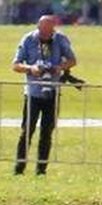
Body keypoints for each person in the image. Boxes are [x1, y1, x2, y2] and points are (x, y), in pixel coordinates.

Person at [11, 14, 77, 175]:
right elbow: (15, 65)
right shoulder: (28, 40)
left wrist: (59, 67)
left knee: (47, 132)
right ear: (38, 27)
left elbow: (72, 60)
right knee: (27, 131)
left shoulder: (60, 39)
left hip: (52, 91)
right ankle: (19, 168)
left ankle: (41, 169)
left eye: (50, 31)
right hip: (33, 93)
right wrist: (31, 69)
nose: (47, 34)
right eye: (44, 31)